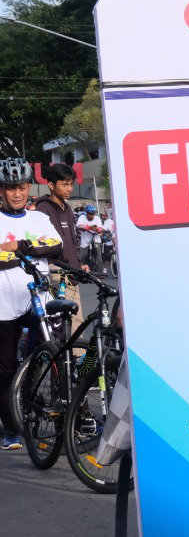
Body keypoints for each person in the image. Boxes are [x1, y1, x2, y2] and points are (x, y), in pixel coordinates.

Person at [1, 153, 63, 450]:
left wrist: (16, 246)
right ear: (1, 191)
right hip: (4, 305)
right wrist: (32, 249)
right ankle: (10, 429)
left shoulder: (39, 218)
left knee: (50, 355)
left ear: (29, 188)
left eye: (22, 187)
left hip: (38, 299)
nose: (17, 193)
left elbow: (55, 244)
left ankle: (46, 411)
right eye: (11, 188)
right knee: (5, 369)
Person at [33, 163, 87, 306]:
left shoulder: (67, 207)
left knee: (69, 321)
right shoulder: (42, 209)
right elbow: (43, 244)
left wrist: (78, 264)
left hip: (72, 271)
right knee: (73, 320)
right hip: (57, 272)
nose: (69, 189)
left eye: (71, 184)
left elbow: (71, 242)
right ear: (51, 185)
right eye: (64, 185)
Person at [76, 204, 105, 272]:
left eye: (93, 214)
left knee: (98, 256)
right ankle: (82, 270)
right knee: (83, 256)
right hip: (85, 239)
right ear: (87, 213)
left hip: (96, 237)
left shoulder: (97, 218)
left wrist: (99, 230)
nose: (92, 216)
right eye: (90, 214)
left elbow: (101, 228)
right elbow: (78, 225)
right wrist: (88, 227)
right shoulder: (82, 217)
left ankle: (99, 271)